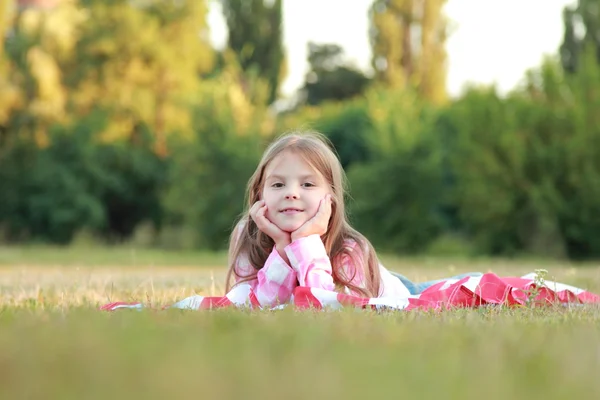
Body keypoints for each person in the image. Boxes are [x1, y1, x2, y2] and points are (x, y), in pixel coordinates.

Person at [225, 131, 479, 307]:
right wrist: (281, 247)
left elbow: (326, 305)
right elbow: (257, 304)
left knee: (470, 285)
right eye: (278, 184)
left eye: (308, 184)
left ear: (330, 198)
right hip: (368, 279)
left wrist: (305, 240)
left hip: (390, 288)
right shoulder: (246, 236)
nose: (292, 193)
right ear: (260, 193)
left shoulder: (350, 249)